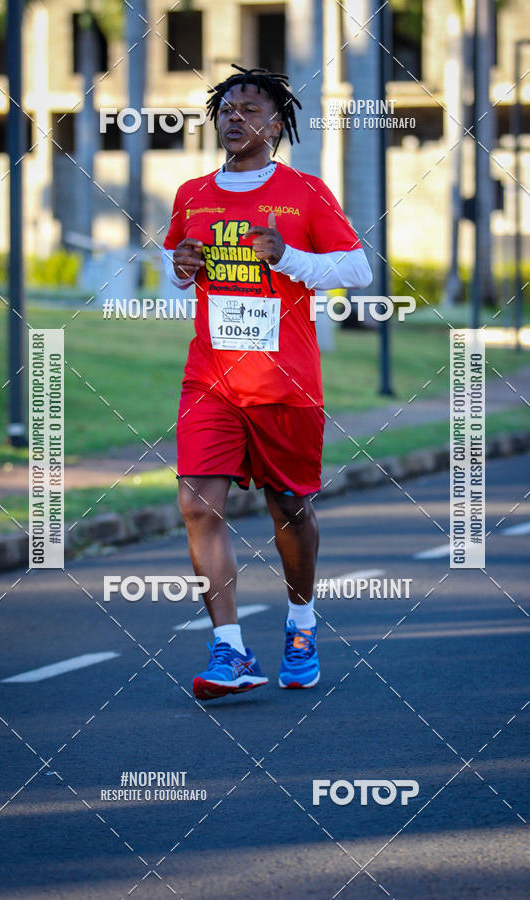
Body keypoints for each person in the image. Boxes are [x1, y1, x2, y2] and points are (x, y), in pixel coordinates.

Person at [162, 65, 372, 701]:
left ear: (276, 125)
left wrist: (289, 258)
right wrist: (179, 267)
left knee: (289, 509)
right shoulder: (192, 194)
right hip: (211, 381)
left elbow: (359, 270)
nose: (234, 116)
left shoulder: (306, 192)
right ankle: (230, 651)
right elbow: (177, 269)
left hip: (285, 385)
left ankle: (301, 625)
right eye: (226, 107)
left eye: (249, 108)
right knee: (197, 504)